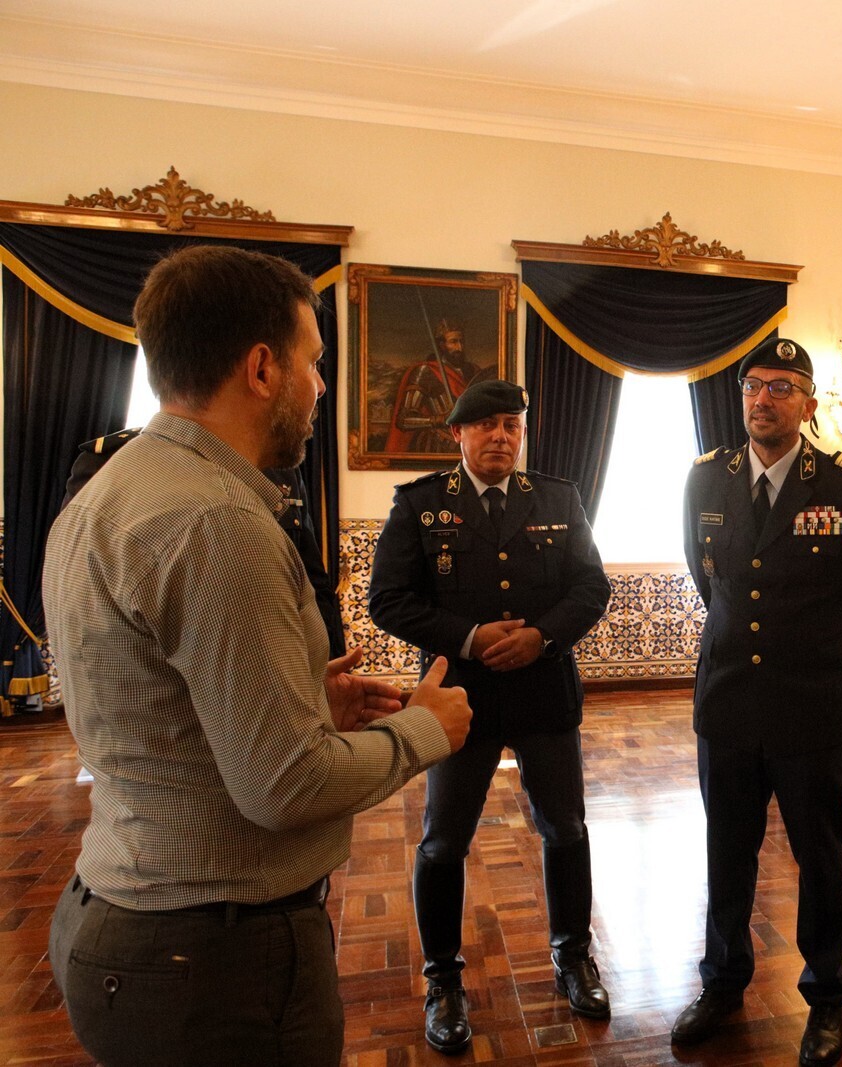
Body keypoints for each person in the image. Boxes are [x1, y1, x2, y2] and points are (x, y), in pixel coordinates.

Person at [41, 244, 473, 1067]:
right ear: (263, 368)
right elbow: (285, 785)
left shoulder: (110, 492)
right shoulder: (219, 522)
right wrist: (426, 728)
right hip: (214, 963)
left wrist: (303, 699)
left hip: (123, 913)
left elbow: (151, 708)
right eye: (314, 362)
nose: (321, 387)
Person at [368, 378, 613, 1053]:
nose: (501, 436)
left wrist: (542, 636)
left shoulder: (559, 498)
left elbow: (592, 586)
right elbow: (387, 599)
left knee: (566, 829)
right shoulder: (420, 505)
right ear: (457, 434)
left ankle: (573, 956)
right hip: (457, 700)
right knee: (443, 841)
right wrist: (470, 638)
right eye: (486, 426)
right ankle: (443, 980)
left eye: (511, 425)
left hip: (543, 693)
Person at [673, 336, 842, 1067]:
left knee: (819, 857)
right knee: (726, 852)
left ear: (809, 403)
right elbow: (710, 580)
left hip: (811, 702)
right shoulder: (707, 479)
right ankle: (722, 982)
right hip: (729, 698)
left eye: (781, 387)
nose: (763, 399)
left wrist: (806, 640)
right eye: (753, 386)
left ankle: (826, 997)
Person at [63, 430, 347, 656]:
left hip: (283, 655)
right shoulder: (112, 460)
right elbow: (82, 593)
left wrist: (327, 666)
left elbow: (312, 581)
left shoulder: (279, 469)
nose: (320, 386)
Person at [386, 318, 490, 453]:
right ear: (441, 345)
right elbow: (404, 420)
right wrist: (441, 419)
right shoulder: (426, 372)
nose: (459, 347)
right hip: (438, 446)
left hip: (470, 444)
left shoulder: (474, 371)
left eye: (461, 341)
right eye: (453, 342)